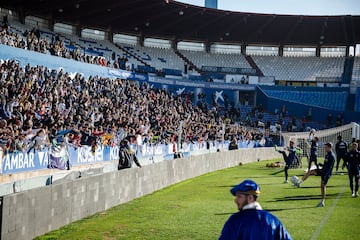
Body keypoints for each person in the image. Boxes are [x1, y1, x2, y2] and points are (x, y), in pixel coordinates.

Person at [219, 179, 293, 240]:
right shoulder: (273, 220)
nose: (235, 200)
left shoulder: (235, 220)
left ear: (250, 198)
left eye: (239, 197)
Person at [294, 142, 336, 207]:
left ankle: (322, 202)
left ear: (329, 147)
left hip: (326, 174)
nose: (325, 148)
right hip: (323, 171)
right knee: (310, 172)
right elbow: (326, 165)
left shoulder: (332, 156)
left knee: (322, 186)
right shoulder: (327, 154)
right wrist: (321, 165)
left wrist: (326, 175)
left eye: (326, 147)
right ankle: (299, 183)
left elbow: (330, 167)